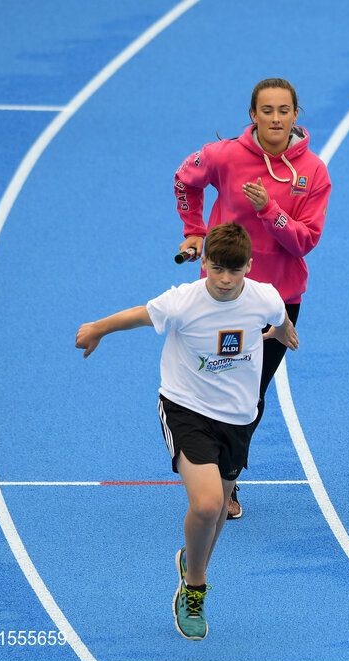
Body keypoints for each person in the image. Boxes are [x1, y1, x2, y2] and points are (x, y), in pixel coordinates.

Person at [76, 223, 298, 640]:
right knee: (208, 503)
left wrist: (283, 330)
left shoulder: (263, 296)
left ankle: (191, 566)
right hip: (186, 408)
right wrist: (99, 328)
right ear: (205, 266)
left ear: (249, 267)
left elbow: (279, 312)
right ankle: (194, 587)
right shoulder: (183, 302)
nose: (226, 280)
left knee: (218, 514)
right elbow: (139, 316)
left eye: (235, 272)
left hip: (239, 417)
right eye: (217, 270)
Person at [175, 77, 330, 519]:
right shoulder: (224, 156)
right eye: (267, 110)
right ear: (253, 114)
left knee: (249, 395)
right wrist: (194, 231)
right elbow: (186, 180)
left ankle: (227, 476)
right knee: (217, 383)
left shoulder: (313, 173)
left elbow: (304, 242)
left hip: (278, 299)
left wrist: (270, 211)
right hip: (223, 293)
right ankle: (214, 475)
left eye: (284, 110)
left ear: (296, 116)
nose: (276, 118)